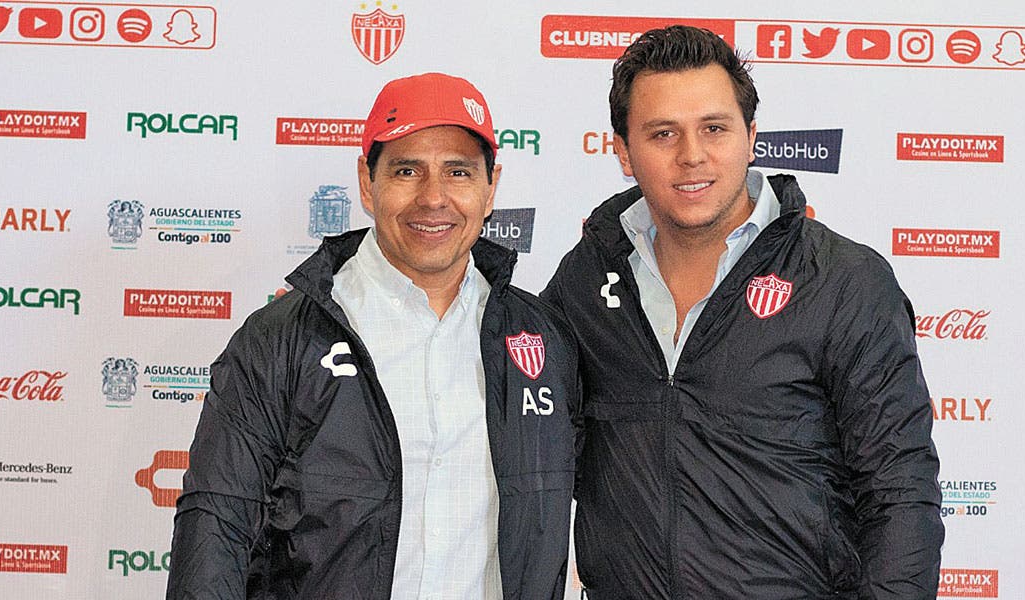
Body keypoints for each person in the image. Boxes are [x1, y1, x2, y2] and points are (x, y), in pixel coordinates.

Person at [543, 26, 943, 599]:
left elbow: (900, 494)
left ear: (751, 137)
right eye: (663, 133)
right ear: (624, 152)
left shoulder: (843, 280)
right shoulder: (586, 278)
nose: (691, 155)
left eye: (714, 128)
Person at [167, 72, 580, 600]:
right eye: (407, 170)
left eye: (458, 172)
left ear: (490, 187)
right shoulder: (280, 340)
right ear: (367, 182)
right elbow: (215, 530)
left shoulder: (544, 339)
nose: (434, 198)